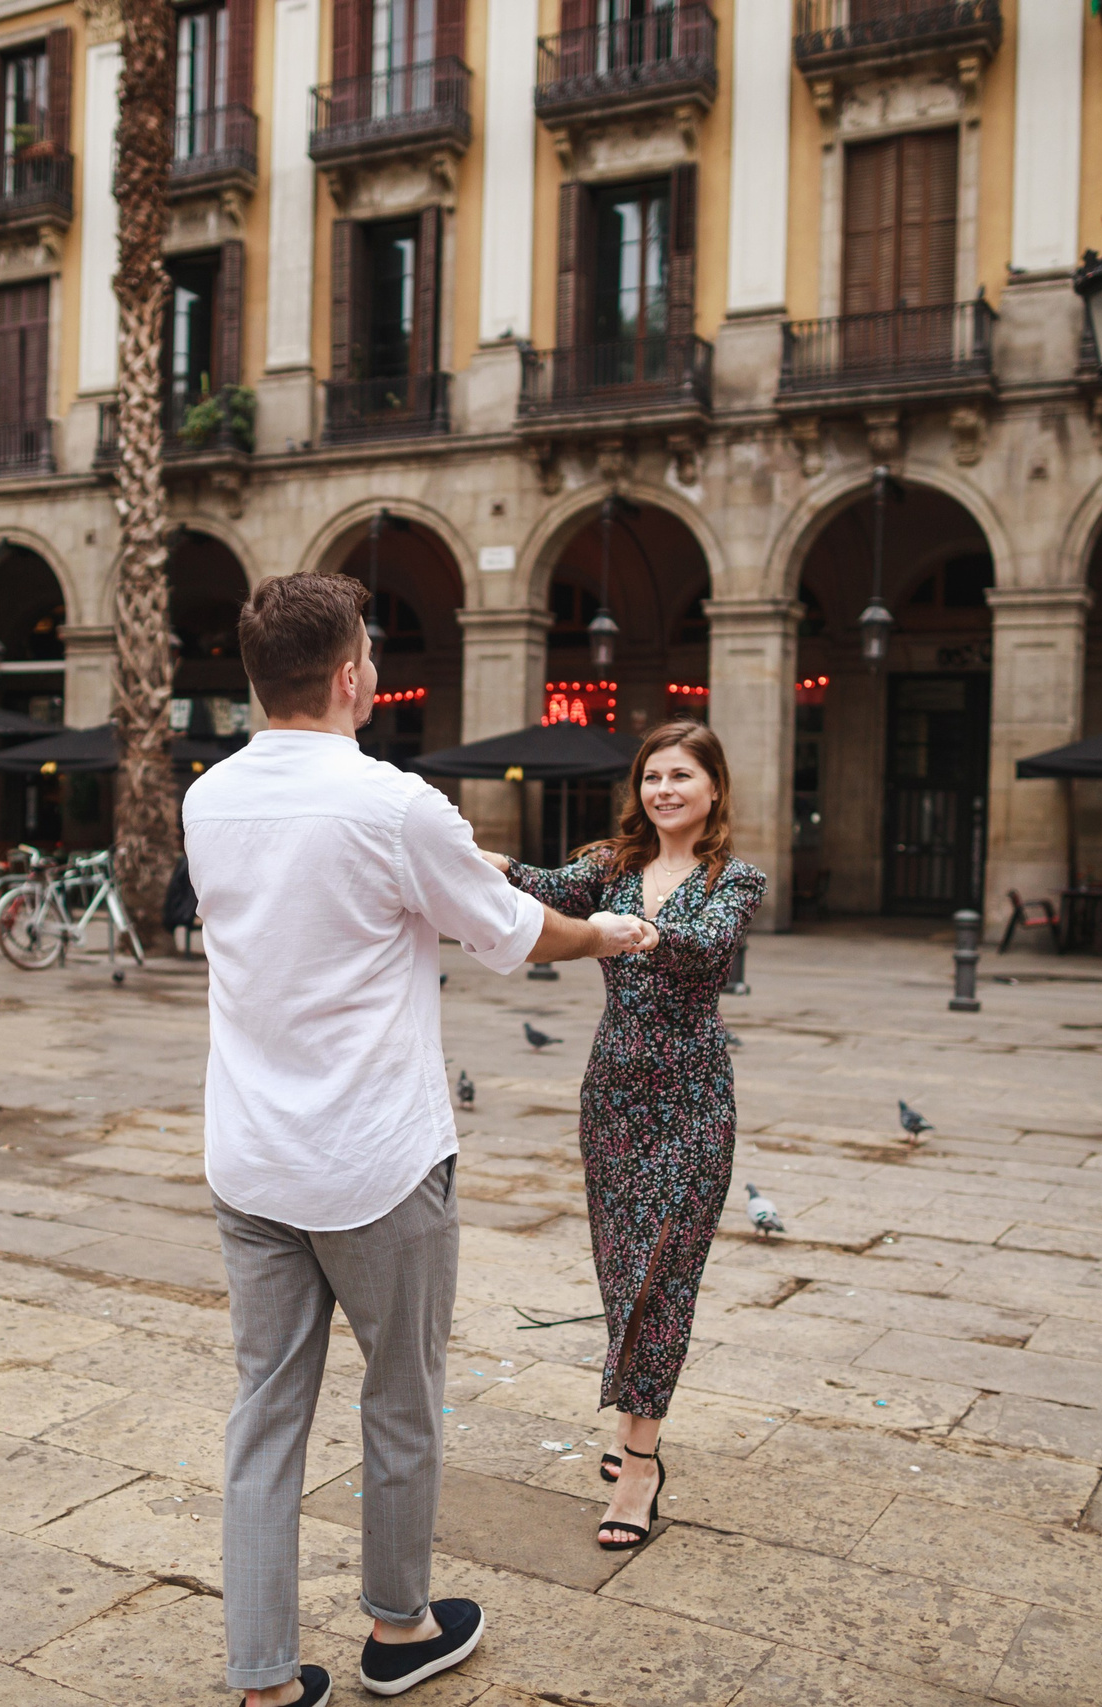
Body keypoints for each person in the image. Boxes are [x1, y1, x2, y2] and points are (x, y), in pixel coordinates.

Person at [184, 572, 649, 1707]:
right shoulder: (395, 805)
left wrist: (456, 870)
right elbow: (512, 940)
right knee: (398, 1401)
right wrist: (610, 933)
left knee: (265, 1415)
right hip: (375, 1160)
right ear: (352, 678)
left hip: (250, 1157)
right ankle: (397, 1632)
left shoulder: (209, 800)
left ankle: (261, 1683)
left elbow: (330, 899)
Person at [482, 720, 767, 1553]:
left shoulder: (734, 879)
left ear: (713, 787)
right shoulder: (610, 866)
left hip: (693, 1095)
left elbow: (707, 947)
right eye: (652, 776)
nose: (664, 790)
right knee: (620, 1265)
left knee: (664, 1271)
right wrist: (483, 860)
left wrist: (636, 930)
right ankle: (636, 1421)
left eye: (682, 775)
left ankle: (638, 1460)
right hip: (613, 1095)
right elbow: (538, 884)